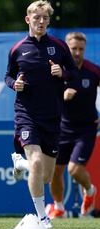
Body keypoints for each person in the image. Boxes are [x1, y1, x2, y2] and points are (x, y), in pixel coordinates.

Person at [5, 0, 78, 229]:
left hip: (52, 117)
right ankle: (42, 217)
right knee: (35, 162)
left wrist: (62, 72)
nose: (41, 22)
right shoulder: (17, 49)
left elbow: (75, 75)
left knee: (45, 176)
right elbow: (7, 76)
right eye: (37, 17)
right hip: (26, 114)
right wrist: (13, 84)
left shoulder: (58, 46)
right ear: (28, 19)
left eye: (45, 18)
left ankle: (19, 163)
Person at [45, 32, 100, 219]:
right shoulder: (57, 71)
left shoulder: (93, 71)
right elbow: (46, 97)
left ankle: (90, 191)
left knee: (74, 169)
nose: (77, 52)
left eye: (81, 49)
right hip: (61, 128)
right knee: (55, 171)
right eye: (73, 48)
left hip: (86, 129)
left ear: (85, 50)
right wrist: (62, 95)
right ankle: (58, 207)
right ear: (66, 48)